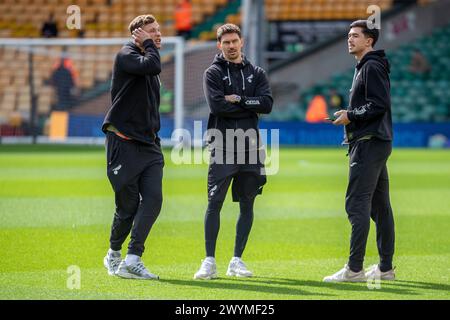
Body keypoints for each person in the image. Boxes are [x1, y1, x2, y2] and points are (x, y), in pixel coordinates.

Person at [193, 24, 273, 280]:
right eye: (225, 42)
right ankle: (209, 261)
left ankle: (236, 260)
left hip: (250, 145)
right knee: (214, 202)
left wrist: (238, 99)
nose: (230, 46)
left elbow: (268, 104)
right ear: (219, 45)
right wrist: (250, 105)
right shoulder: (213, 73)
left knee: (247, 204)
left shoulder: (257, 72)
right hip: (222, 144)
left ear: (242, 42)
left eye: (234, 41)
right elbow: (217, 107)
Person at [324, 20, 396, 282]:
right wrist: (349, 116)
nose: (350, 39)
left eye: (355, 35)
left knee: (357, 204)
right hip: (375, 141)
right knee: (379, 207)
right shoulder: (367, 67)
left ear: (370, 41)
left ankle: (354, 269)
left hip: (368, 143)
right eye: (348, 36)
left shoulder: (371, 67)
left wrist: (350, 115)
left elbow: (379, 104)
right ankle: (385, 269)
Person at [102, 14, 164, 280]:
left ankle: (133, 258)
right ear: (138, 35)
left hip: (150, 146)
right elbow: (151, 65)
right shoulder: (126, 55)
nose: (157, 35)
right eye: (151, 31)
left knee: (153, 199)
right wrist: (148, 44)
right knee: (127, 208)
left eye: (158, 30)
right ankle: (113, 254)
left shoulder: (148, 61)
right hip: (123, 143)